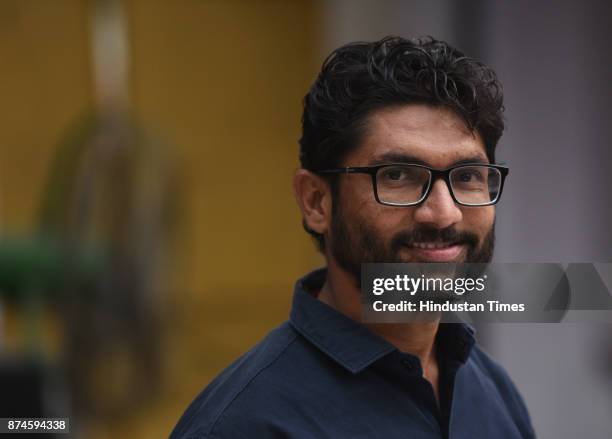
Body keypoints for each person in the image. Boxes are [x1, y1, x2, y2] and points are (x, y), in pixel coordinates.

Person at [170, 36, 535, 439]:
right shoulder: (246, 425)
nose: (443, 213)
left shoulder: (490, 391)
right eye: (397, 176)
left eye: (467, 177)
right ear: (316, 202)